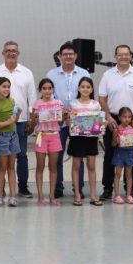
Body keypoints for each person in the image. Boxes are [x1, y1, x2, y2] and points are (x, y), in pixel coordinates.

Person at [98, 44, 133, 202]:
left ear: (131, 56)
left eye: (126, 54)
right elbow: (101, 98)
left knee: (129, 156)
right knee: (109, 155)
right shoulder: (107, 75)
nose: (123, 57)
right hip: (113, 120)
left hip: (131, 121)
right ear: (115, 57)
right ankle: (108, 188)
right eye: (120, 54)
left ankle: (129, 190)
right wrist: (108, 116)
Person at [0, 41, 35, 199]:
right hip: (0, 123)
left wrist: (31, 119)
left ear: (18, 53)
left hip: (20, 122)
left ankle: (23, 187)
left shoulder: (27, 72)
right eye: (8, 50)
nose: (11, 53)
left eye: (14, 50)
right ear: (3, 53)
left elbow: (31, 98)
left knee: (21, 155)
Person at [45, 42, 89, 198]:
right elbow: (48, 97)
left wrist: (74, 112)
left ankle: (79, 187)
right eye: (65, 54)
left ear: (76, 56)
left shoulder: (84, 73)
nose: (68, 57)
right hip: (59, 122)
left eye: (71, 54)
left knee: (79, 156)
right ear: (60, 56)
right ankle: (57, 187)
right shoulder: (51, 74)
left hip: (79, 122)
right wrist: (60, 112)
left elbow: (87, 95)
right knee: (57, 155)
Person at [67, 77, 102, 207]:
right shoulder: (73, 104)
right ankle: (77, 194)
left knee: (91, 166)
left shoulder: (96, 104)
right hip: (77, 139)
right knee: (76, 166)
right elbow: (69, 121)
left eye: (88, 87)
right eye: (83, 86)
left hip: (91, 139)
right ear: (78, 88)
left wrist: (102, 124)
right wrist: (70, 122)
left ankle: (93, 195)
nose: (85, 89)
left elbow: (99, 121)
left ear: (92, 89)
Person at [28, 78, 63, 206]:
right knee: (40, 167)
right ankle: (41, 196)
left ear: (53, 89)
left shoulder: (58, 103)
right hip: (41, 136)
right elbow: (33, 123)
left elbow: (60, 122)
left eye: (49, 88)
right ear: (40, 90)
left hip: (54, 136)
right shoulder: (36, 104)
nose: (47, 91)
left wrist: (62, 117)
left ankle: (52, 196)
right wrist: (34, 118)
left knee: (53, 168)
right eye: (44, 88)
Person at [0, 77, 22, 207]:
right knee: (2, 167)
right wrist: (8, 122)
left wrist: (18, 115)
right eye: (3, 86)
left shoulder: (12, 101)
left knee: (11, 166)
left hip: (13, 135)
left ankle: (13, 196)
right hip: (2, 137)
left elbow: (13, 120)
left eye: (8, 86)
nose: (6, 89)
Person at [110, 107, 133, 205]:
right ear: (119, 117)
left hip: (130, 153)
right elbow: (113, 144)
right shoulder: (117, 129)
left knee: (129, 175)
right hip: (119, 154)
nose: (127, 119)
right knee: (117, 175)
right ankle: (117, 195)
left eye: (129, 117)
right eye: (124, 117)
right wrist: (116, 137)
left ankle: (128, 195)